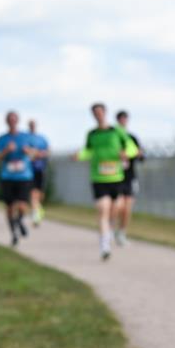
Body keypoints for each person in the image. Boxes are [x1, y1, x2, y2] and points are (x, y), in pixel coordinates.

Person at [73, 103, 139, 260]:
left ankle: (110, 230)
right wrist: (79, 155)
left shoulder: (117, 131)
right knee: (103, 209)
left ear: (105, 113)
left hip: (116, 177)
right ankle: (105, 245)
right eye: (95, 113)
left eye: (100, 112)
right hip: (98, 177)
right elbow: (88, 151)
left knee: (115, 210)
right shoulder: (92, 134)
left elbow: (132, 148)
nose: (98, 115)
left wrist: (126, 154)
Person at [0, 111, 36, 246]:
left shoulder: (25, 137)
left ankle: (19, 221)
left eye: (14, 119)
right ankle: (14, 234)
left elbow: (35, 155)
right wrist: (6, 151)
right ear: (6, 121)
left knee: (23, 206)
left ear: (17, 121)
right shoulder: (2, 139)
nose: (12, 121)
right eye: (9, 119)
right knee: (10, 207)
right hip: (8, 176)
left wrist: (28, 152)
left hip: (24, 176)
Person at [113, 110, 144, 246]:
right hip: (116, 176)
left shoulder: (132, 138)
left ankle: (122, 232)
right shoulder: (113, 137)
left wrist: (136, 154)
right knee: (118, 206)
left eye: (125, 120)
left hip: (130, 176)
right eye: (121, 120)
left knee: (128, 208)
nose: (123, 122)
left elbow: (141, 156)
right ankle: (113, 227)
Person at [26, 119, 50, 226]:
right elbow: (26, 152)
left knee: (39, 194)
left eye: (33, 124)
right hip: (29, 170)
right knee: (32, 193)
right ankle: (36, 216)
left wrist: (40, 154)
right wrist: (34, 154)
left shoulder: (42, 138)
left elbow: (48, 151)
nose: (32, 126)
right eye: (30, 125)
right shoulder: (26, 138)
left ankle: (39, 209)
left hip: (40, 169)